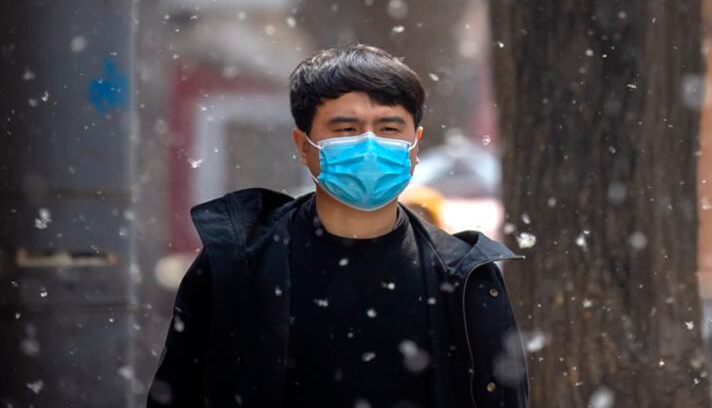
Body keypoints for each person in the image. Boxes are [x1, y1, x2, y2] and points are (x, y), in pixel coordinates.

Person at [147, 45, 528, 408]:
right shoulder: (237, 264)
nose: (369, 144)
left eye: (389, 128)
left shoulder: (465, 279)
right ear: (303, 145)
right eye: (346, 129)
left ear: (416, 145)